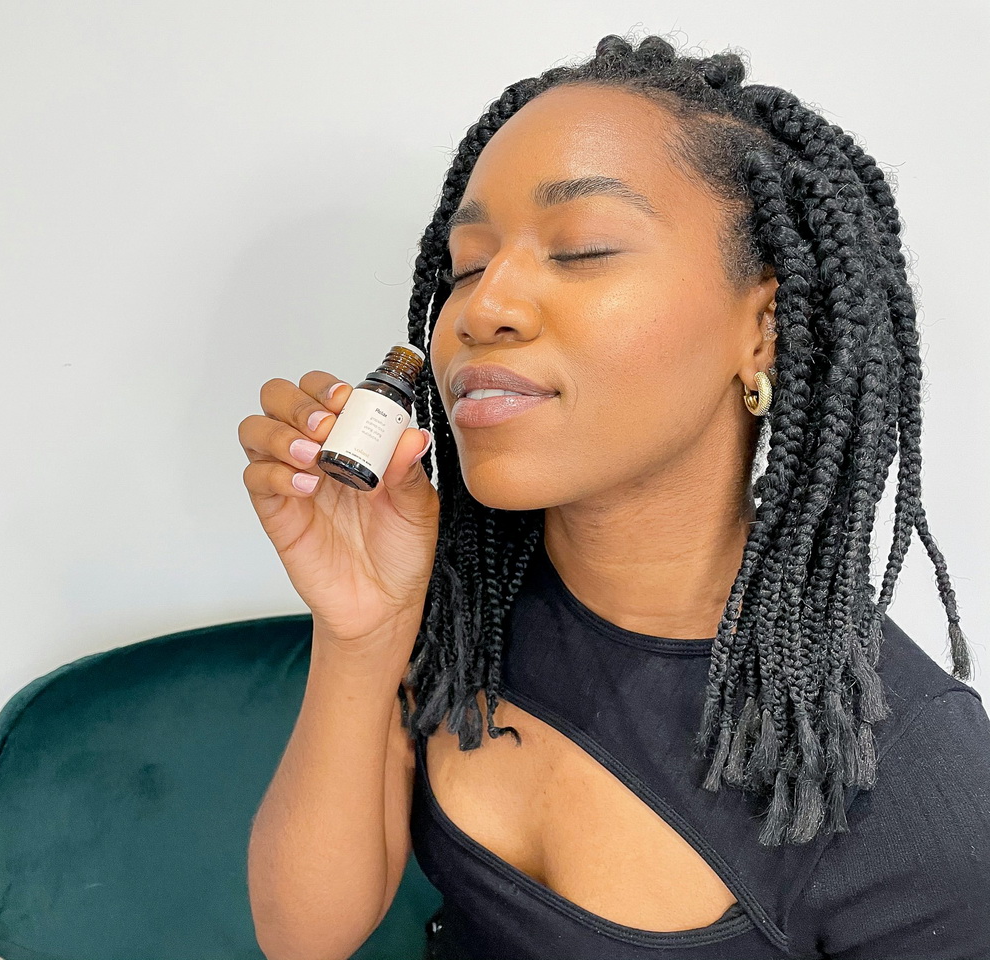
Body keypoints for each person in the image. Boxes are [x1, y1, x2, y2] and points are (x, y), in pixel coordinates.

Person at [242, 32, 990, 960]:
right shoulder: (465, 603)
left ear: (763, 328)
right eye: (467, 265)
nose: (481, 308)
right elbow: (302, 938)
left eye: (583, 249)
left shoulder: (914, 776)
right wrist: (359, 631)